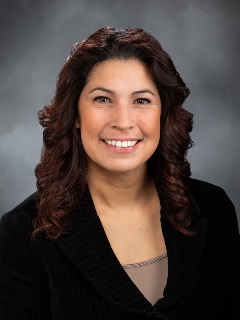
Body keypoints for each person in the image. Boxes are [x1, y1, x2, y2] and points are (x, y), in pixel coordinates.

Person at [0, 26, 239, 320]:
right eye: (102, 99)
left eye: (141, 100)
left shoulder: (215, 209)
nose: (123, 122)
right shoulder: (22, 232)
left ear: (163, 114)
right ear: (74, 114)